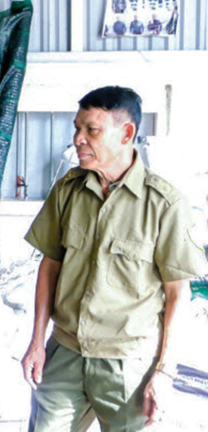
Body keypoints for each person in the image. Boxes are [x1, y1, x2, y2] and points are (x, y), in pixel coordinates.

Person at [21, 86, 204, 431]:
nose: (78, 139)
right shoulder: (68, 191)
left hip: (129, 366)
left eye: (92, 130)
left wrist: (163, 371)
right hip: (65, 353)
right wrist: (36, 342)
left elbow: (178, 294)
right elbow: (50, 266)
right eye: (77, 128)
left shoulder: (164, 204)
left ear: (127, 134)